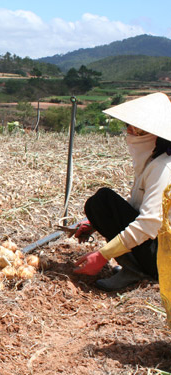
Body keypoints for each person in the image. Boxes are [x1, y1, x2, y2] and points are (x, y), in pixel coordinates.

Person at [73, 92, 171, 291]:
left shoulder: (164, 168)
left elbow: (149, 223)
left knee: (103, 200)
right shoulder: (154, 161)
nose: (128, 133)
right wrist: (94, 223)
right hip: (159, 249)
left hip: (164, 259)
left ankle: (136, 271)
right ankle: (136, 267)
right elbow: (137, 205)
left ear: (146, 132)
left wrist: (103, 255)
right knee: (98, 204)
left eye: (132, 129)